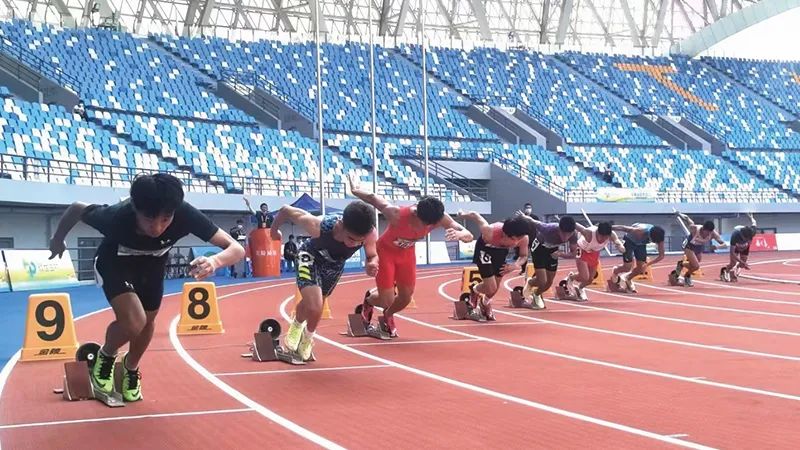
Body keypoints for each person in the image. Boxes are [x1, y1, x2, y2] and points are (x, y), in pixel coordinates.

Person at [48, 174, 245, 402]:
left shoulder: (184, 213)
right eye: (149, 219)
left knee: (147, 322)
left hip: (152, 267)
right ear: (135, 208)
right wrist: (58, 238)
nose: (157, 227)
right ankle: (106, 356)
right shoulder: (114, 217)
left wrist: (214, 261)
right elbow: (77, 208)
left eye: (165, 219)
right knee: (134, 321)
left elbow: (236, 249)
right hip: (115, 263)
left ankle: (130, 368)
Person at [348, 174, 473, 337]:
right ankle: (369, 300)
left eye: (430, 225)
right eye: (424, 223)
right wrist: (356, 190)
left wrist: (462, 234)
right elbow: (373, 198)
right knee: (386, 300)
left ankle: (387, 315)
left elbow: (467, 234)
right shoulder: (397, 214)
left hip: (406, 255)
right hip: (386, 253)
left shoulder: (439, 217)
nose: (426, 227)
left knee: (406, 298)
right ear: (416, 214)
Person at [271, 201, 378, 361]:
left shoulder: (370, 233)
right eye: (351, 238)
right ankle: (300, 330)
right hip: (310, 256)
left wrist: (372, 264)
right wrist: (274, 231)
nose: (355, 244)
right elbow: (285, 210)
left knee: (315, 304)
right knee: (315, 304)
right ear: (340, 225)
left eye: (359, 241)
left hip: (334, 265)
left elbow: (372, 255)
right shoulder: (318, 226)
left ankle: (306, 335)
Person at [458, 211, 529, 320]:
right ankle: (475, 290)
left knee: (495, 289)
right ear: (504, 234)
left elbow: (524, 256)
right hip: (484, 250)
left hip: (500, 252)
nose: (516, 243)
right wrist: (462, 214)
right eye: (513, 239)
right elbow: (475, 215)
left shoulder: (523, 238)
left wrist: (514, 265)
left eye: (518, 239)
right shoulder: (489, 231)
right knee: (491, 286)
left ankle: (484, 302)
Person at [518, 215, 580, 310]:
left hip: (553, 251)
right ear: (559, 229)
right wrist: (524, 216)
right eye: (563, 234)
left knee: (548, 283)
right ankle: (530, 282)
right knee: (542, 281)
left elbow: (574, 253)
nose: (565, 238)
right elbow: (533, 221)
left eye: (569, 235)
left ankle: (536, 294)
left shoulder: (574, 235)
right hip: (539, 249)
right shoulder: (548, 229)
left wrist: (560, 254)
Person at [564, 222, 625, 301]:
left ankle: (580, 288)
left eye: (606, 237)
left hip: (594, 252)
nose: (603, 239)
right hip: (581, 250)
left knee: (590, 279)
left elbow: (617, 242)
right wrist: (566, 222)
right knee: (584, 277)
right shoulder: (589, 234)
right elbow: (577, 226)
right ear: (597, 233)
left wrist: (621, 247)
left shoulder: (611, 235)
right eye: (601, 237)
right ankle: (571, 278)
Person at [675, 212, 727, 287]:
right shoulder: (695, 228)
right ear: (703, 229)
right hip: (689, 245)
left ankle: (682, 264)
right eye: (707, 232)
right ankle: (687, 276)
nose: (708, 234)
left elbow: (724, 245)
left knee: (695, 263)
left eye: (710, 232)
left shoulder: (713, 233)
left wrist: (717, 247)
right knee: (696, 266)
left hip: (698, 247)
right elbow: (687, 218)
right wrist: (679, 214)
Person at [611, 223, 666, 292]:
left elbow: (661, 256)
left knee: (641, 268)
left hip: (641, 244)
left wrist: (647, 264)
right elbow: (623, 227)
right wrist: (609, 227)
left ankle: (628, 278)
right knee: (627, 267)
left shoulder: (660, 238)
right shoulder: (639, 231)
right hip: (629, 241)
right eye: (653, 241)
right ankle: (615, 271)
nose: (655, 243)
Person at [721, 213, 758, 282]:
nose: (747, 240)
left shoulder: (752, 231)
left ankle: (737, 268)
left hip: (745, 247)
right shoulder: (735, 235)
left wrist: (750, 217)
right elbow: (732, 253)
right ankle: (726, 271)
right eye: (745, 239)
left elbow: (754, 222)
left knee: (742, 265)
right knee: (733, 263)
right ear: (742, 235)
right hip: (736, 248)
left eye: (748, 239)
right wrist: (741, 261)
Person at [517, 202, 539, 275]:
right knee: (523, 255)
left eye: (529, 208)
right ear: (524, 209)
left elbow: (539, 226)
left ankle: (537, 270)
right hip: (524, 239)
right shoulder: (521, 217)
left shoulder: (535, 217)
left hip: (533, 239)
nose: (528, 209)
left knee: (535, 255)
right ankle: (523, 270)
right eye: (527, 208)